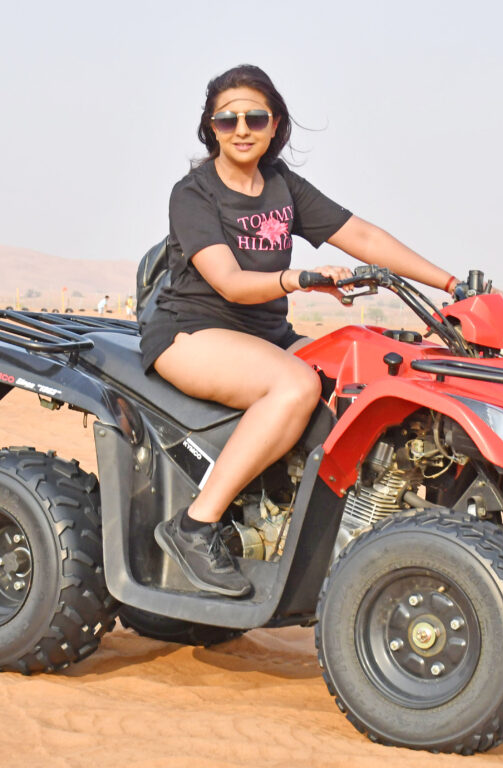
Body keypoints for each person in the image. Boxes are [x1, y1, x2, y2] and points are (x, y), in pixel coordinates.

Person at [140, 64, 463, 598]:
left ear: (275, 124)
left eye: (255, 117)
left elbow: (359, 234)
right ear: (211, 128)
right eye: (227, 120)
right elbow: (230, 283)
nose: (242, 128)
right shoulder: (193, 193)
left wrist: (452, 284)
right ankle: (195, 526)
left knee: (371, 373)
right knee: (295, 385)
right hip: (192, 332)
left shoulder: (283, 186)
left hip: (267, 334)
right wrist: (302, 279)